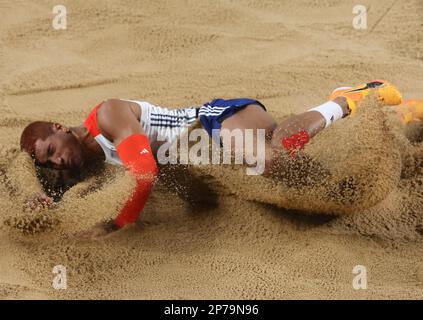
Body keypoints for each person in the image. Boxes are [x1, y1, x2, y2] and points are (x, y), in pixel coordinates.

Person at [20, 80, 412, 239]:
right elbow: (68, 199)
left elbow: (143, 172)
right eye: (49, 165)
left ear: (61, 128)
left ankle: (344, 102)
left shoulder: (107, 115)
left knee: (268, 162)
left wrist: (120, 224)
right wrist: (46, 204)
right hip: (214, 155)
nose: (58, 162)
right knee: (297, 165)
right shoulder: (80, 166)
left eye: (52, 151)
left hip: (212, 121)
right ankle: (368, 108)